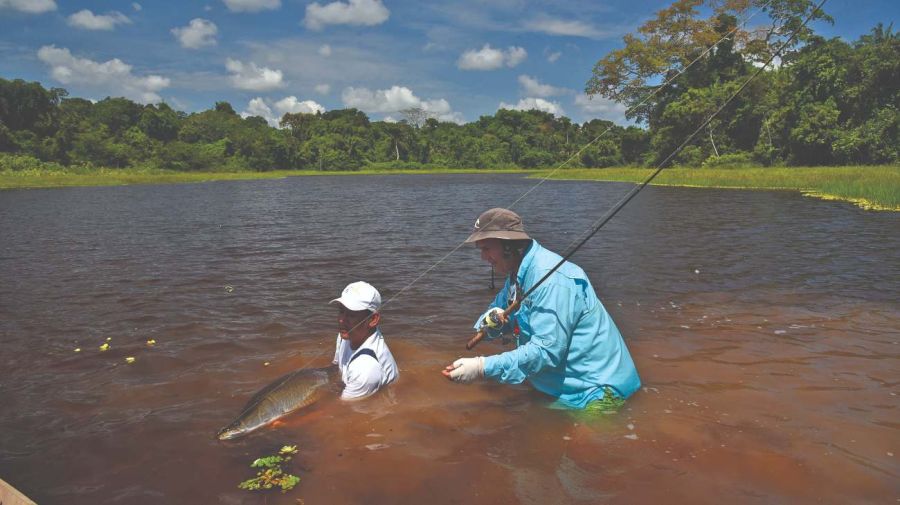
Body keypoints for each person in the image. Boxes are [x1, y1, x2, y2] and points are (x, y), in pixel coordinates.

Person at [442, 208, 641, 409]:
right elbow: (498, 309)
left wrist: (481, 368)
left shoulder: (551, 281)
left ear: (509, 246)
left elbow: (545, 351)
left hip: (598, 392)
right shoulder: (516, 274)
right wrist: (489, 321)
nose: (483, 257)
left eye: (486, 248)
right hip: (558, 389)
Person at [331, 281, 399, 400]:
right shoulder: (346, 333)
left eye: (351, 315)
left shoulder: (366, 369)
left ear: (373, 320)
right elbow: (334, 368)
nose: (341, 320)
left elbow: (341, 410)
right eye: (341, 311)